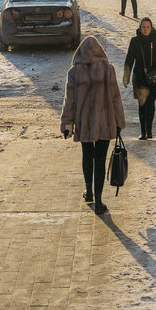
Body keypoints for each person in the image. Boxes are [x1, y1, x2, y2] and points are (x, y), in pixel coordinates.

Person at [60, 35, 125, 216]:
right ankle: (98, 201)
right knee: (100, 160)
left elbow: (69, 101)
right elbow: (115, 98)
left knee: (87, 156)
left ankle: (88, 191)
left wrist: (67, 123)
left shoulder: (74, 72)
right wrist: (119, 121)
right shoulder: (108, 70)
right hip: (105, 122)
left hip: (85, 123)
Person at [123, 17, 156, 140]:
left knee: (150, 103)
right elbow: (129, 59)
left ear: (151, 28)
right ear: (140, 28)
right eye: (143, 27)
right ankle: (143, 132)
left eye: (147, 27)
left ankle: (149, 130)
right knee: (142, 103)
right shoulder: (135, 41)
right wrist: (126, 76)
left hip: (154, 75)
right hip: (139, 76)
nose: (145, 30)